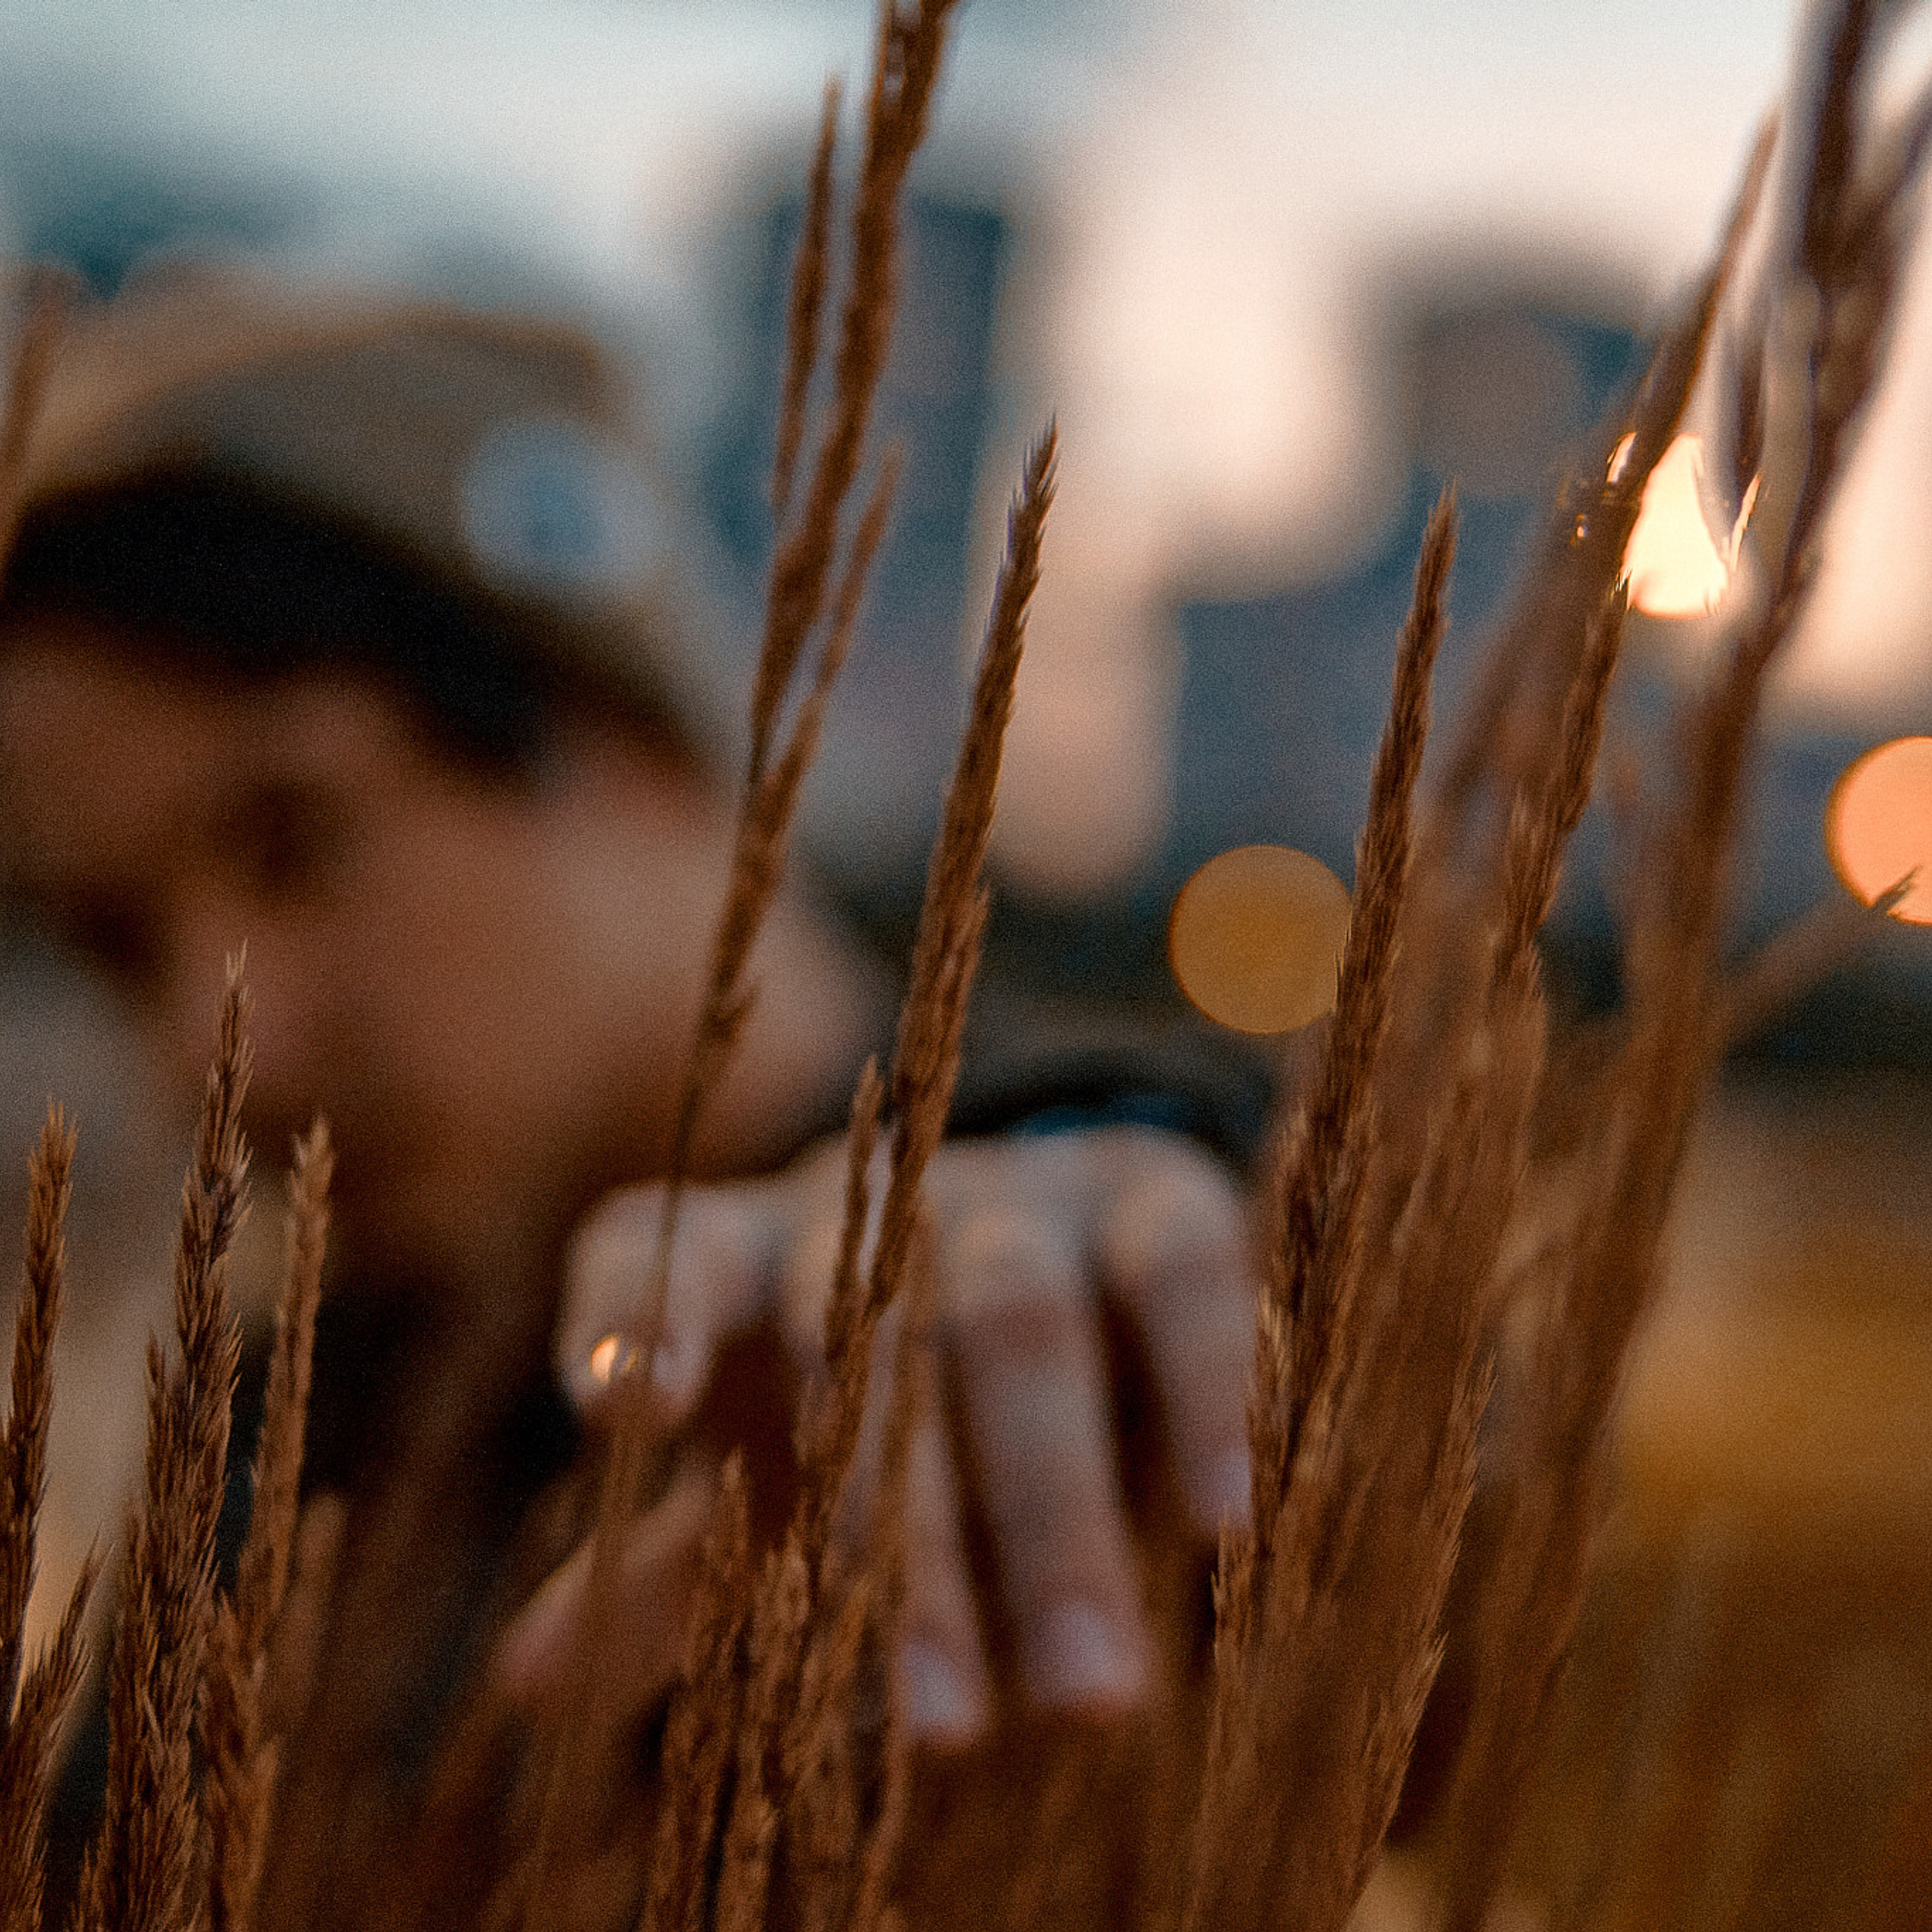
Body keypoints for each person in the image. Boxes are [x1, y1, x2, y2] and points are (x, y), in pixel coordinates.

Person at [0, 263, 1265, 1915]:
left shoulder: (1012, 1240)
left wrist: (1086, 1241)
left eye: (295, 840)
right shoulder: (307, 1398)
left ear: (630, 744)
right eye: (117, 937)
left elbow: (1329, 1380)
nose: (219, 1042)